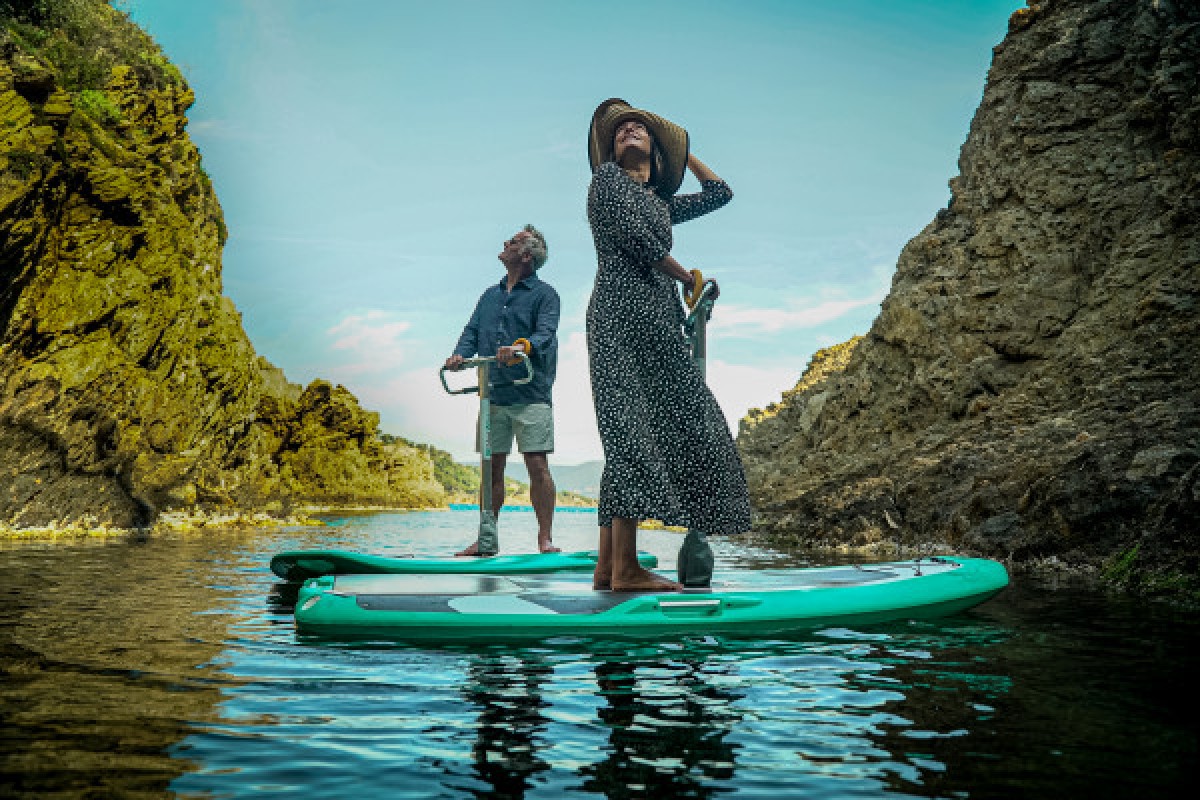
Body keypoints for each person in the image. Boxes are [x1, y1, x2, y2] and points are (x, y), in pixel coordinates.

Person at [585, 98, 751, 591]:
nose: (627, 130)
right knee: (628, 428)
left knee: (649, 427)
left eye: (639, 128)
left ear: (657, 151)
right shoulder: (608, 182)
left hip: (658, 319)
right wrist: (689, 276)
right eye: (619, 131)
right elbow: (641, 243)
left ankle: (608, 567)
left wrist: (683, 155)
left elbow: (720, 193)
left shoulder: (661, 201)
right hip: (620, 312)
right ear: (611, 152)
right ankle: (627, 570)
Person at [445, 225, 561, 555]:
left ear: (525, 255)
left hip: (530, 392)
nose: (504, 243)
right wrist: (460, 355)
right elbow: (472, 331)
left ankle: (545, 538)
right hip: (492, 393)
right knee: (491, 466)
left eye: (511, 241)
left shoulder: (545, 295)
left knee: (536, 465)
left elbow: (546, 334)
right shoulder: (489, 296)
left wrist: (521, 346)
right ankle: (486, 538)